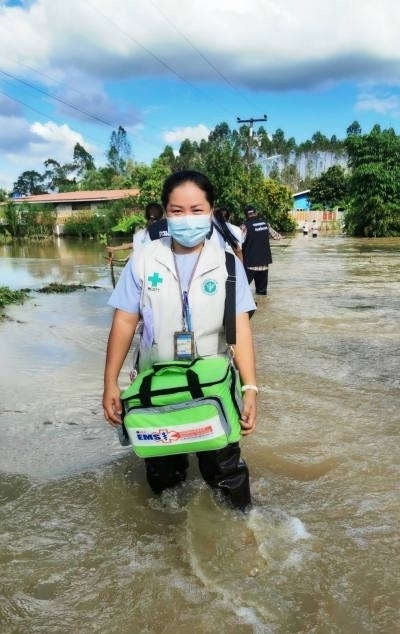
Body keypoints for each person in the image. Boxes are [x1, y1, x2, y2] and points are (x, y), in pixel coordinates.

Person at [103, 170, 257, 511]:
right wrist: (110, 383)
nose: (188, 219)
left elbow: (240, 328)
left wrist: (250, 388)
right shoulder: (144, 260)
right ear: (165, 212)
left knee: (225, 473)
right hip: (158, 385)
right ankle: (171, 542)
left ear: (212, 210)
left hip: (212, 384)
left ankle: (243, 533)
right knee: (163, 476)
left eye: (197, 209)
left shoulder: (228, 263)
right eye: (177, 211)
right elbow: (125, 321)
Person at [241, 204, 281, 296]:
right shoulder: (265, 223)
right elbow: (276, 236)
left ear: (246, 215)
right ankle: (263, 308)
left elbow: (238, 242)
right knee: (262, 292)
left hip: (250, 264)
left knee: (241, 290)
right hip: (264, 263)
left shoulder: (245, 226)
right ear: (256, 213)